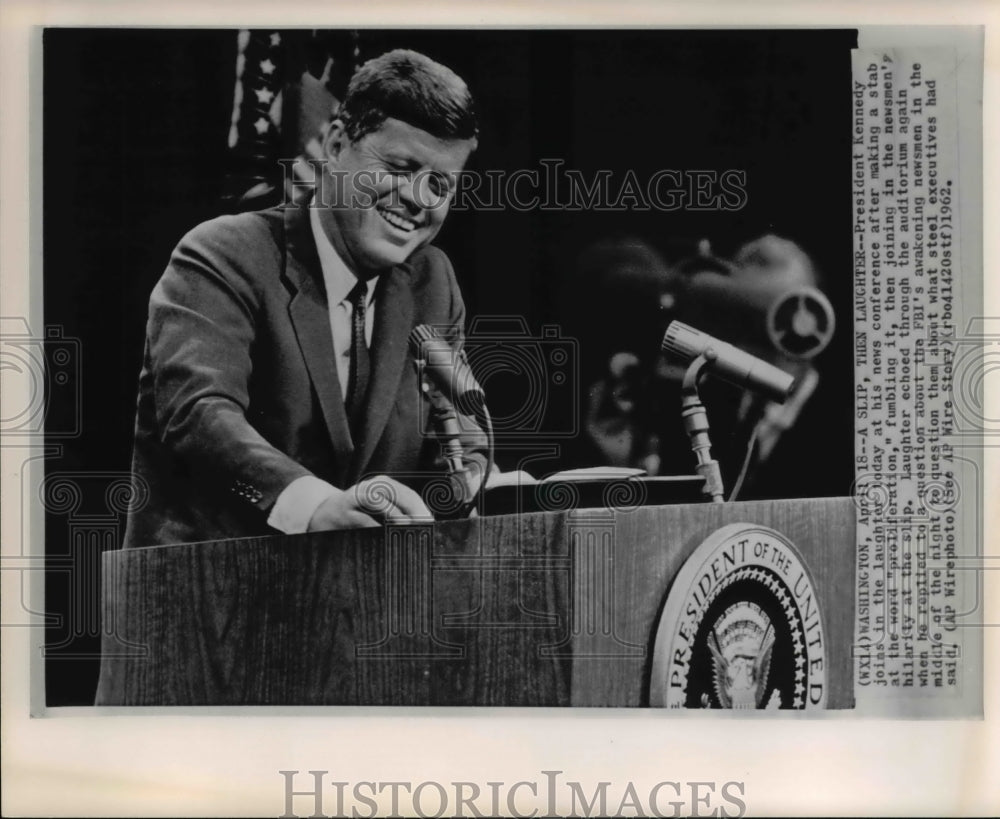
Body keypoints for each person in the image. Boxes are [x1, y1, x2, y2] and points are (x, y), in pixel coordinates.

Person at [124, 49, 485, 548]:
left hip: (365, 610)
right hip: (208, 602)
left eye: (440, 184)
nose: (418, 199)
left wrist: (478, 486)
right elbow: (199, 415)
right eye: (401, 167)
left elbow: (457, 447)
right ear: (337, 143)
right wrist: (313, 504)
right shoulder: (225, 254)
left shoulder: (433, 284)